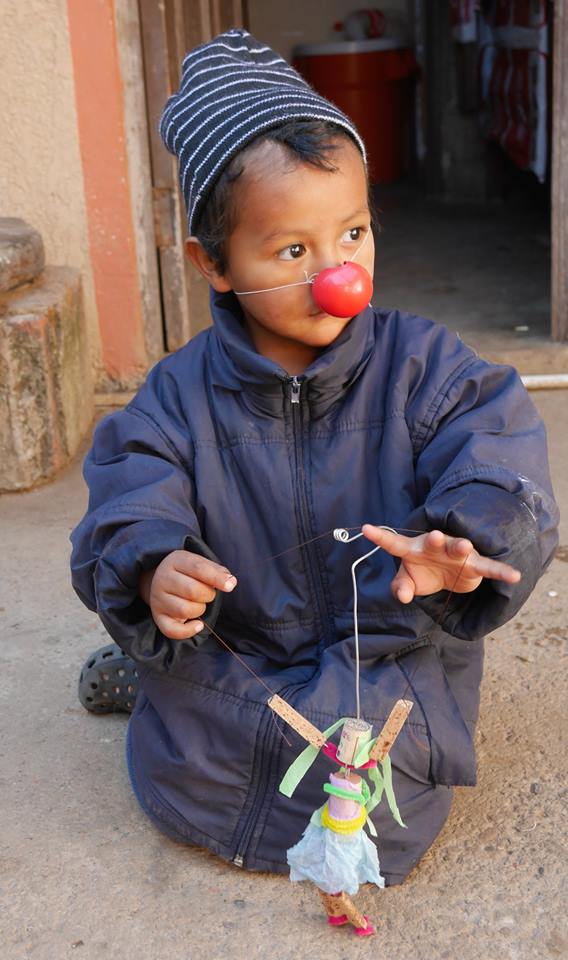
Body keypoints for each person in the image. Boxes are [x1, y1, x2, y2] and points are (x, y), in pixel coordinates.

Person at [70, 29, 558, 886]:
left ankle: (155, 686)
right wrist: (153, 569)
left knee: (377, 783)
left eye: (355, 232)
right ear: (211, 264)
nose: (340, 273)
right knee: (191, 758)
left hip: (387, 645)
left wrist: (466, 540)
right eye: (293, 251)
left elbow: (498, 449)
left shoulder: (426, 366)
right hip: (242, 642)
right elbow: (128, 492)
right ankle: (155, 675)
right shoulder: (175, 397)